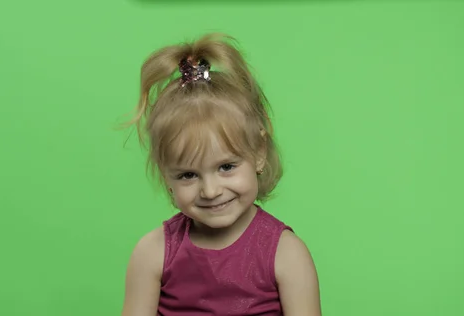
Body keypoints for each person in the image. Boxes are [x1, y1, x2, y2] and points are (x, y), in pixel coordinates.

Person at [120, 33, 322, 316]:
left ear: (259, 152)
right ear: (166, 176)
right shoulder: (153, 253)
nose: (210, 190)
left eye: (226, 167)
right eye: (188, 174)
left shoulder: (286, 255)